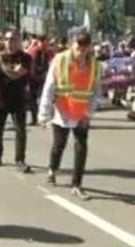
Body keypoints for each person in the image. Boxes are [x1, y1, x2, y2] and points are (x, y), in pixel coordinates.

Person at [39, 29, 102, 200]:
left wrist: (89, 113)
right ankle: (52, 169)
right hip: (63, 110)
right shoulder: (60, 60)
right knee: (59, 144)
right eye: (78, 48)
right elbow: (49, 86)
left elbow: (97, 92)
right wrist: (44, 112)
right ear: (71, 46)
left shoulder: (95, 65)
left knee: (81, 147)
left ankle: (77, 184)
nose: (81, 52)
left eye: (84, 48)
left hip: (82, 113)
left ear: (89, 48)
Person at [0, 30, 32, 172]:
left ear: (19, 41)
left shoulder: (25, 58)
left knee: (20, 131)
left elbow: (15, 75)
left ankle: (20, 160)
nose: (9, 42)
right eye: (7, 39)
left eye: (13, 39)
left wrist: (0, 61)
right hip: (1, 98)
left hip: (19, 99)